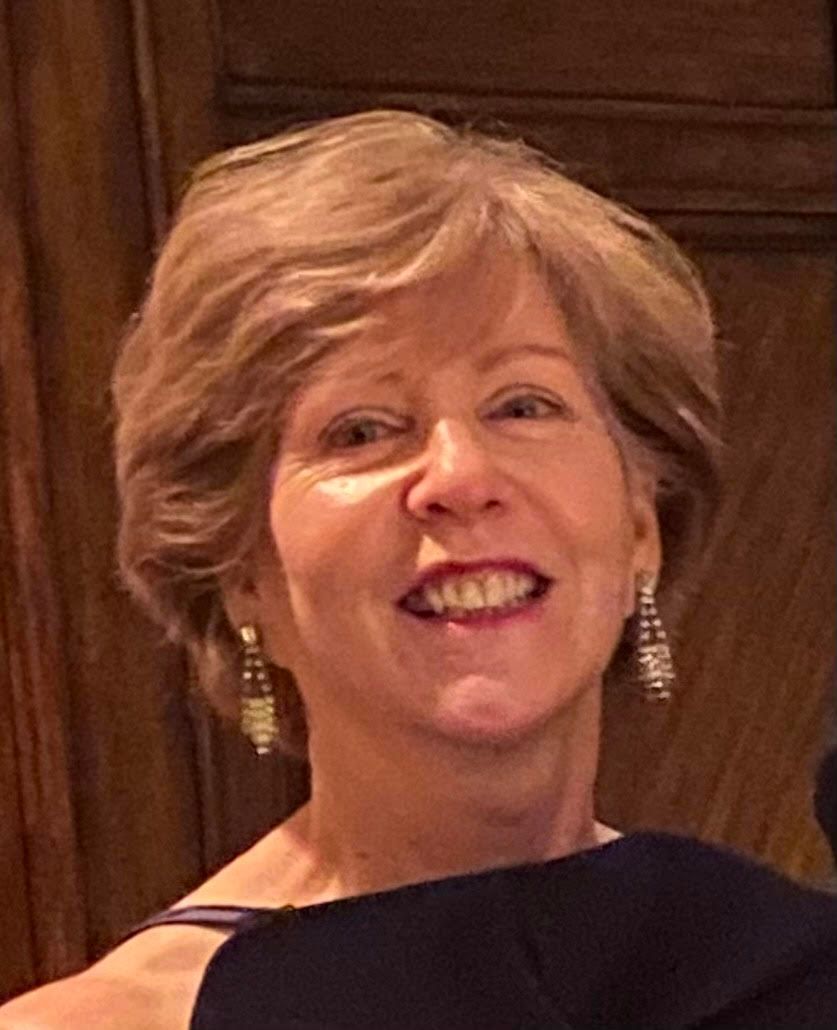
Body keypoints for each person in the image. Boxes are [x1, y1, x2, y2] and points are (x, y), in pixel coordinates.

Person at [2, 109, 836, 1029]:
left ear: (641, 518)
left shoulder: (789, 969)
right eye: (360, 429)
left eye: (523, 405)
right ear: (238, 570)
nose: (462, 478)